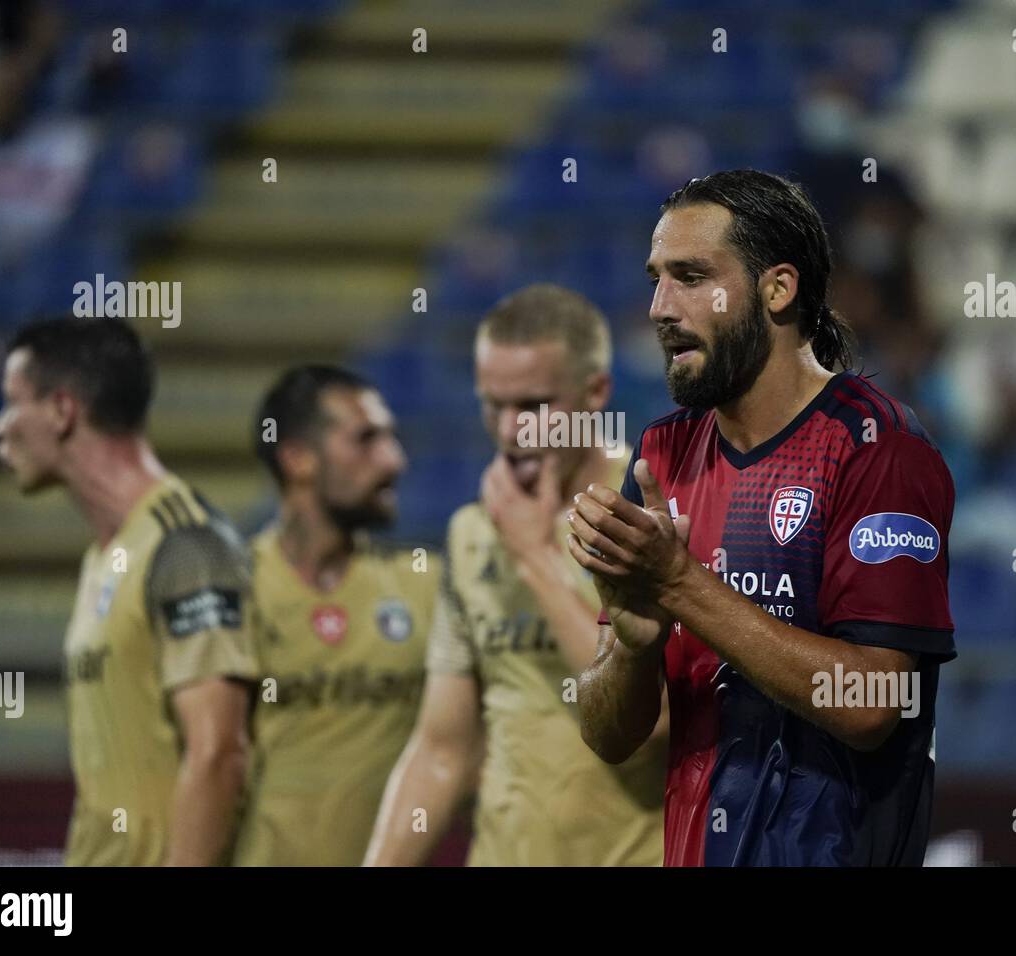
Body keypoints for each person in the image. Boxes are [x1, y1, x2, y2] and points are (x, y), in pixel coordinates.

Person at [570, 170, 956, 866]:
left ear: (778, 289)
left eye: (690, 276)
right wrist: (631, 645)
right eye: (656, 278)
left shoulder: (878, 449)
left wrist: (682, 586)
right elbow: (607, 735)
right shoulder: (663, 455)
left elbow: (872, 702)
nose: (660, 306)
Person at [365, 284, 665, 866]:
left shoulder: (650, 510)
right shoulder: (474, 531)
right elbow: (442, 748)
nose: (508, 430)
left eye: (532, 405)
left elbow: (653, 726)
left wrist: (534, 555)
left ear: (596, 392)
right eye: (492, 404)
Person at [0, 316, 258, 865]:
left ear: (63, 410)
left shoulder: (187, 546)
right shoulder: (106, 554)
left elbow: (219, 754)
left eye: (12, 403)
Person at [234, 365, 437, 865]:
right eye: (366, 440)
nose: (394, 460)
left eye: (391, 438)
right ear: (299, 458)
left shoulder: (428, 586)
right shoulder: (230, 591)